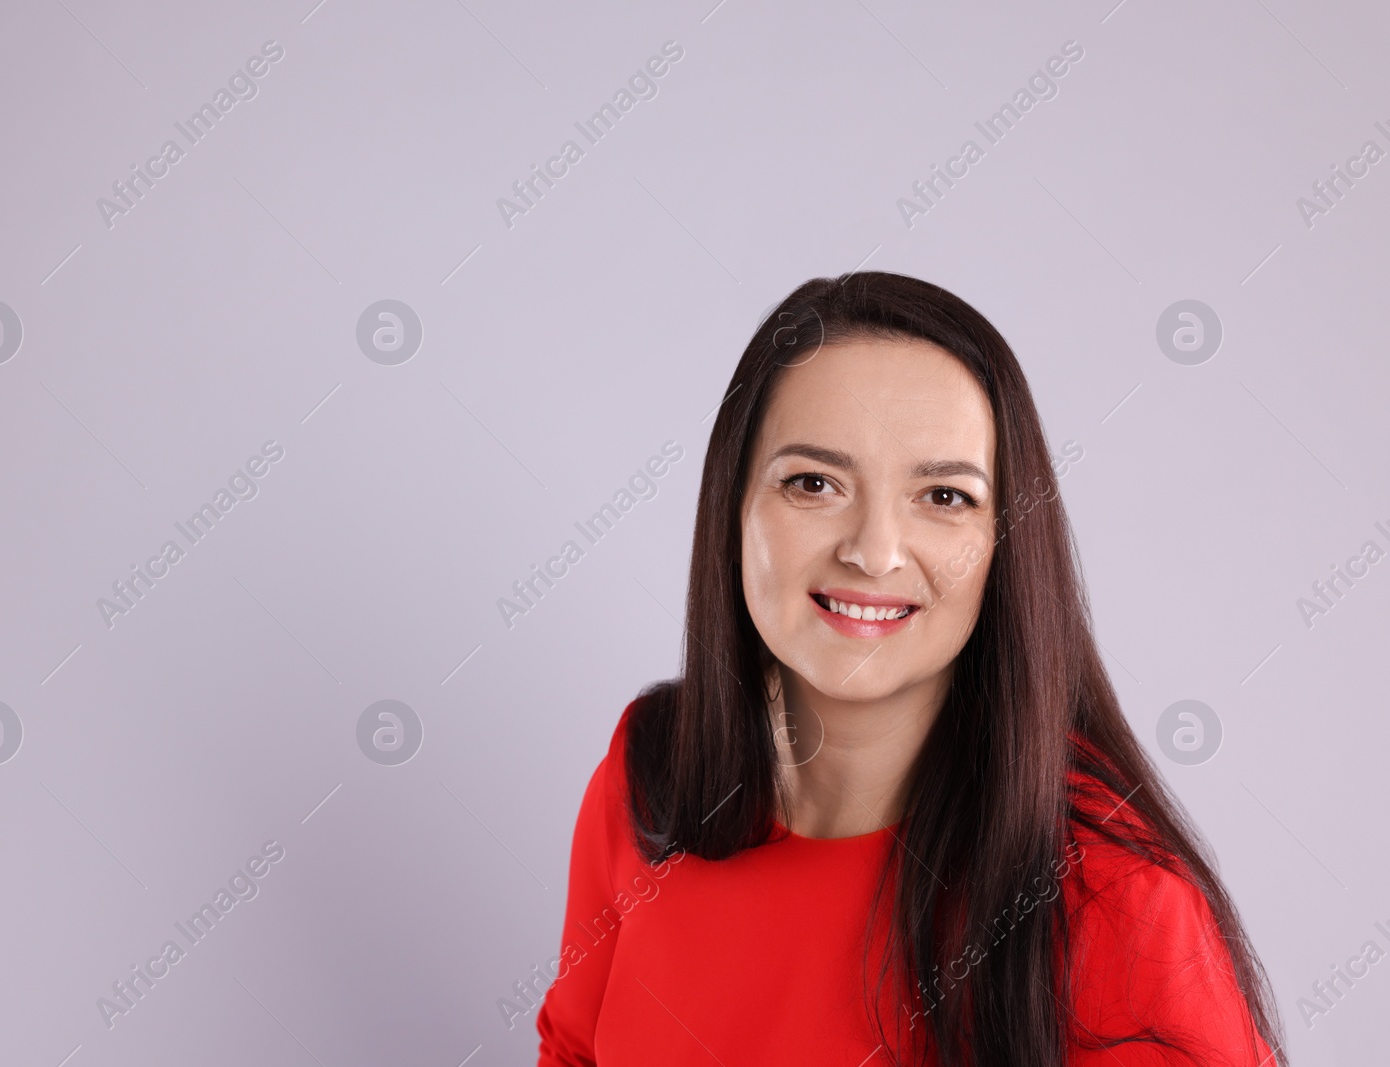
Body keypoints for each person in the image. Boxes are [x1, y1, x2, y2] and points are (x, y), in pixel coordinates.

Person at [534, 271, 1285, 1065]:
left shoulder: (1109, 895)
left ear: (1005, 541)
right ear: (733, 507)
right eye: (813, 483)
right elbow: (574, 1050)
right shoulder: (650, 771)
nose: (873, 549)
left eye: (945, 496)